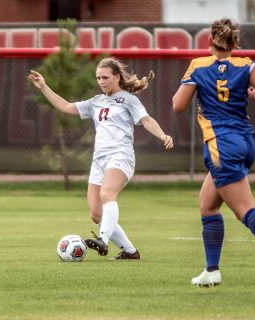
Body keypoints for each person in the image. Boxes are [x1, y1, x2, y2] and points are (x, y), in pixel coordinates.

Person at [172, 18, 255, 287]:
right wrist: (251, 94)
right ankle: (212, 270)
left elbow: (177, 105)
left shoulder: (198, 65)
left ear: (209, 41)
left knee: (244, 209)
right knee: (208, 205)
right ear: (235, 43)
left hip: (221, 146)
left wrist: (195, 87)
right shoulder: (246, 64)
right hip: (245, 142)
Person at [29, 57, 173, 260]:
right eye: (98, 78)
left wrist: (163, 135)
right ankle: (130, 252)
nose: (101, 81)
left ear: (117, 77)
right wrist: (43, 87)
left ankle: (103, 241)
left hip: (120, 155)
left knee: (107, 195)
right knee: (96, 213)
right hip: (99, 160)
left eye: (105, 77)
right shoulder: (96, 101)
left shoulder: (128, 99)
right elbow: (67, 107)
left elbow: (146, 120)